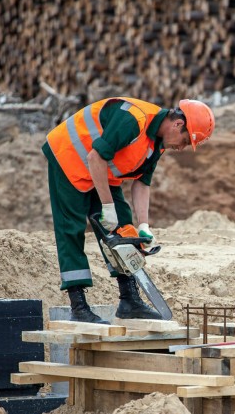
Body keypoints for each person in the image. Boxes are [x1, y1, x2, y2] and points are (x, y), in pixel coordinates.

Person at [44, 97, 215, 324]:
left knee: (124, 228)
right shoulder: (133, 120)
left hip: (101, 171)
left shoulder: (157, 144)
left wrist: (143, 225)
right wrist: (106, 207)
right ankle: (79, 306)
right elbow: (95, 157)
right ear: (177, 124)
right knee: (71, 229)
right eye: (185, 141)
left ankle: (129, 300)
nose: (181, 148)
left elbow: (142, 183)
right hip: (68, 156)